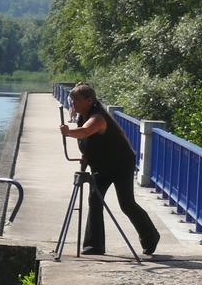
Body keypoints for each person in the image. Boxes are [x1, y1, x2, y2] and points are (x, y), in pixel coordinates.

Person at [59, 83, 160, 256]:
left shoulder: (98, 118)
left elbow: (84, 132)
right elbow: (88, 143)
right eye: (72, 100)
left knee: (126, 204)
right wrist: (85, 159)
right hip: (100, 165)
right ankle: (94, 246)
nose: (73, 103)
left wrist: (68, 132)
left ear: (89, 100)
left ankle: (151, 236)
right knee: (94, 199)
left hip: (120, 164)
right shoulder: (82, 116)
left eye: (76, 100)